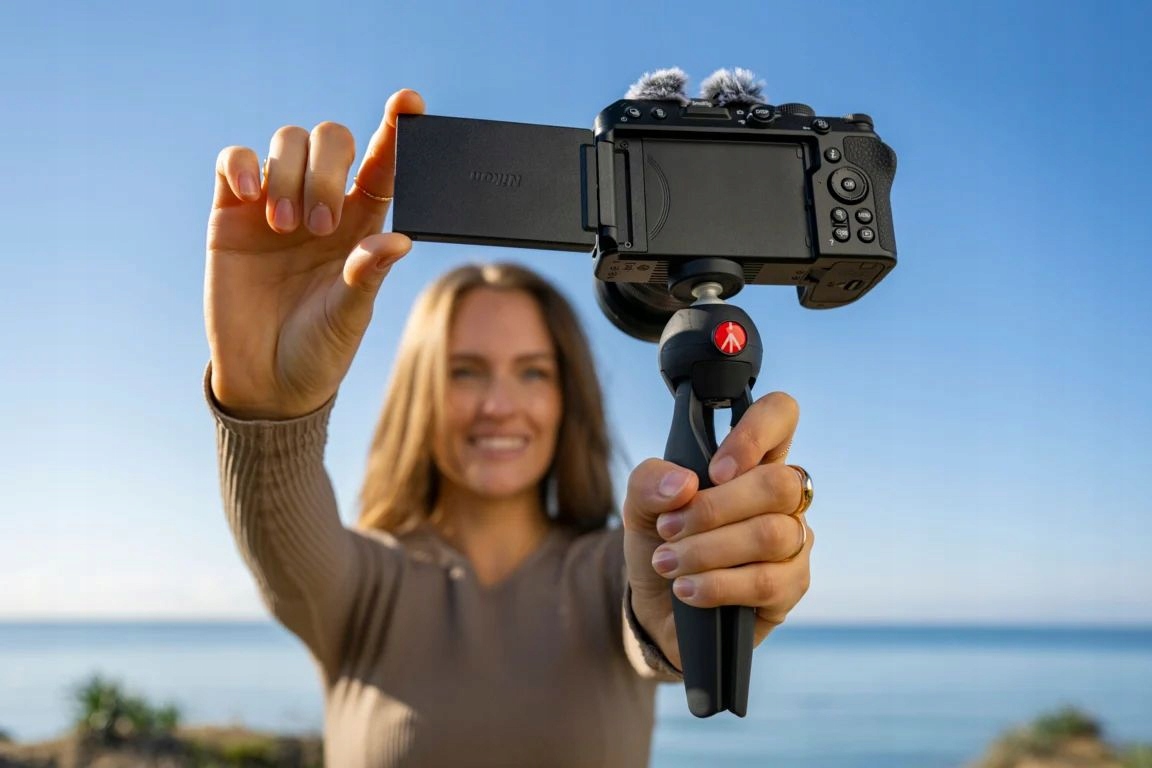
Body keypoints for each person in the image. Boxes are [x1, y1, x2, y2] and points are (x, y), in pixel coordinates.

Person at [204, 88, 814, 767]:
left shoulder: (614, 568)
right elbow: (278, 525)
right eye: (465, 371)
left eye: (531, 372)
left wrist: (694, 595)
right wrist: (268, 403)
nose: (499, 404)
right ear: (420, 395)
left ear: (567, 397)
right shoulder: (363, 585)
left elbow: (650, 606)